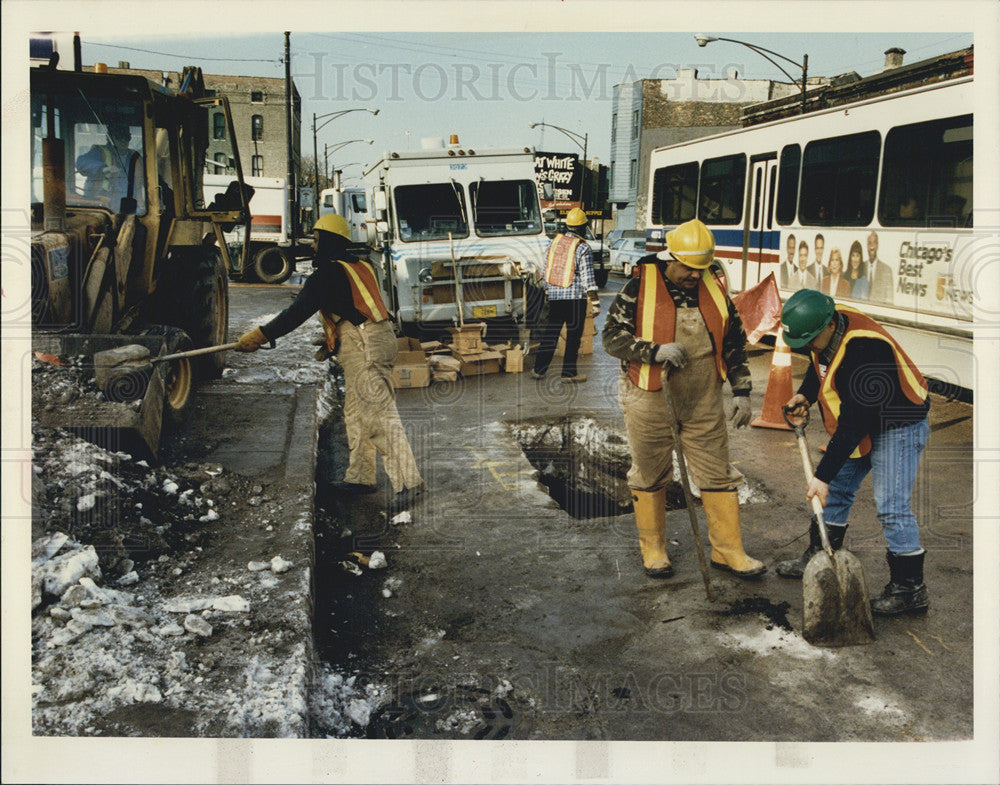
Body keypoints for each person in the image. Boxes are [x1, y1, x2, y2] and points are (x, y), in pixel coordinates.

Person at [602, 218, 764, 580]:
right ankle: (654, 550)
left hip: (703, 397)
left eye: (701, 269)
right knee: (650, 471)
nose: (695, 276)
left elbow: (735, 343)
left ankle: (728, 550)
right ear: (670, 258)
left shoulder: (714, 289)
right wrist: (652, 350)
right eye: (688, 268)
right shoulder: (639, 286)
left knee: (717, 471)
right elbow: (610, 336)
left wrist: (741, 391)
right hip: (649, 396)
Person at [234, 214, 424, 514]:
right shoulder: (359, 266)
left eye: (317, 237)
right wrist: (335, 340)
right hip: (369, 337)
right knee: (356, 412)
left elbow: (297, 312)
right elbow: (353, 309)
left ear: (329, 240)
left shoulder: (326, 274)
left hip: (365, 343)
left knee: (376, 412)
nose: (313, 244)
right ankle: (361, 477)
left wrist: (260, 335)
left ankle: (409, 482)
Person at [777, 289, 931, 616]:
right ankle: (820, 555)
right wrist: (806, 395)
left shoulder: (865, 350)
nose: (807, 348)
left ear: (829, 326)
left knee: (891, 503)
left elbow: (854, 423)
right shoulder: (829, 323)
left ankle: (910, 590)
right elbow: (820, 363)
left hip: (899, 422)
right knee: (839, 489)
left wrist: (821, 476)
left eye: (809, 341)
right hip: (867, 416)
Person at [532, 207, 600, 383]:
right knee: (573, 337)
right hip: (575, 298)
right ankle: (568, 374)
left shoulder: (554, 243)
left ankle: (538, 370)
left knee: (551, 333)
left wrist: (549, 290)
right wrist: (595, 302)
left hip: (555, 296)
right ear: (583, 227)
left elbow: (545, 269)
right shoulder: (582, 247)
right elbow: (588, 277)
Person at [75, 121, 143, 209]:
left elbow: (151, 176)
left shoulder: (136, 157)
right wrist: (103, 169)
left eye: (126, 137)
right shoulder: (99, 152)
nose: (123, 140)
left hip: (131, 208)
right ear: (109, 137)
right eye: (119, 136)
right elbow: (81, 162)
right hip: (102, 208)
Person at [866, 231, 894, 303]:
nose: (872, 246)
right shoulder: (861, 267)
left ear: (877, 245)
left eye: (874, 243)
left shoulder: (887, 270)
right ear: (867, 246)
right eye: (869, 243)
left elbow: (889, 300)